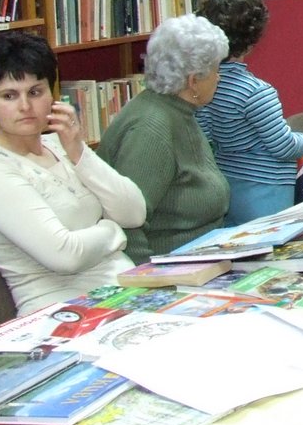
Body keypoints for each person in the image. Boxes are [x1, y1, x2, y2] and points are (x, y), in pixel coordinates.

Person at [0, 32, 147, 313]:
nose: (25, 106)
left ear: (53, 94)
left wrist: (79, 152)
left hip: (124, 291)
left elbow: (134, 213)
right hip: (61, 310)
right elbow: (66, 256)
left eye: (35, 92)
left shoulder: (60, 144)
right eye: (9, 96)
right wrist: (112, 230)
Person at [197, 0, 303, 222]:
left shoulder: (201, 87)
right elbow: (283, 147)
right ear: (252, 41)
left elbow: (205, 136)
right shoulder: (257, 92)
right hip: (266, 192)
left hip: (228, 188)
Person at [99, 14, 232, 263]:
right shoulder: (151, 128)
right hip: (171, 269)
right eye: (216, 70)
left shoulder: (177, 110)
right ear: (193, 81)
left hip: (202, 258)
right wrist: (148, 278)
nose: (219, 77)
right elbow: (127, 225)